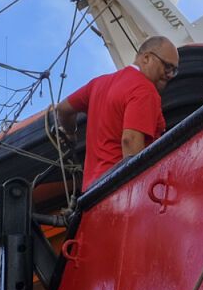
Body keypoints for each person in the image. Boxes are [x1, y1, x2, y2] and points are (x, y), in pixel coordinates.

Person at [52, 36, 180, 189]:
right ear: (146, 58)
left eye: (174, 70)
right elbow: (130, 141)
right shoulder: (144, 89)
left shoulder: (98, 83)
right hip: (118, 188)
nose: (170, 75)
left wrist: (70, 134)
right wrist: (140, 188)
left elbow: (63, 109)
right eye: (167, 67)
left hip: (92, 192)